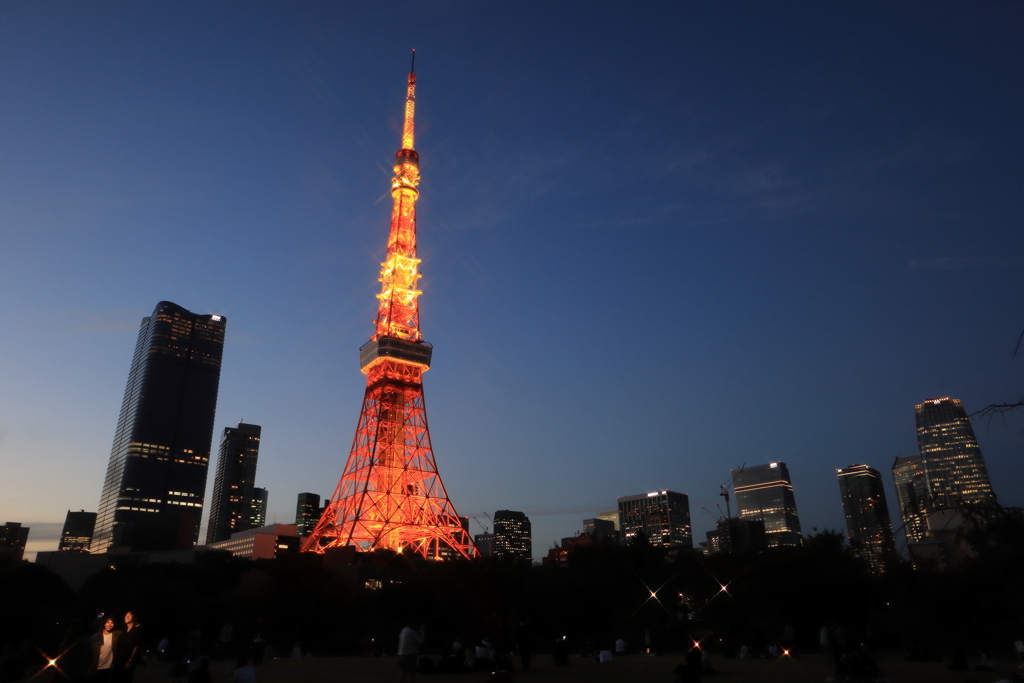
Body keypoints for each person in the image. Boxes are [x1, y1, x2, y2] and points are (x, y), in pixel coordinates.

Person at [89, 616, 120, 683]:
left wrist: (136, 626)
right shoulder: (96, 636)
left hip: (107, 668)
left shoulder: (115, 634)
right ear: (104, 624)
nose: (109, 624)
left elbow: (127, 633)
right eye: (108, 622)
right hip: (95, 667)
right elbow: (89, 652)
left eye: (112, 623)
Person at [117, 610, 143, 683]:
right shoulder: (123, 632)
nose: (127, 617)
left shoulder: (137, 630)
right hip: (119, 661)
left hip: (128, 660)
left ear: (134, 618)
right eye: (126, 615)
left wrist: (130, 660)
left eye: (129, 615)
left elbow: (137, 646)